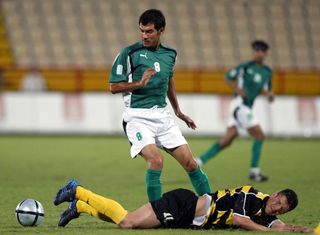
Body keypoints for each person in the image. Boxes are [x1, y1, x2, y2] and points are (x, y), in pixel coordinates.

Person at [109, 9, 211, 202]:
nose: (144, 36)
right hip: (137, 118)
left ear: (161, 30)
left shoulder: (170, 54)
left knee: (191, 164)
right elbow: (114, 87)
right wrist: (139, 84)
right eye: (142, 31)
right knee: (156, 161)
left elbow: (169, 80)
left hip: (162, 117)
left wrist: (178, 111)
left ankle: (213, 206)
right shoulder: (129, 53)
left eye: (149, 31)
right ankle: (156, 213)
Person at [53, 179, 314, 233]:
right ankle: (78, 190)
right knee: (128, 221)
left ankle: (81, 208)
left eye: (283, 209)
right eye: (280, 201)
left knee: (131, 223)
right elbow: (238, 220)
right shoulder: (252, 197)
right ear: (275, 194)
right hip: (183, 204)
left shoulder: (265, 213)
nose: (278, 208)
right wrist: (266, 231)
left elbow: (279, 226)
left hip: (186, 217)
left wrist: (303, 230)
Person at [196, 40, 274, 182]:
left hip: (246, 108)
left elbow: (267, 89)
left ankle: (198, 162)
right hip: (239, 105)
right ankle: (254, 171)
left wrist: (269, 94)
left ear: (266, 53)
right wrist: (238, 89)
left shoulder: (267, 72)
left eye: (261, 51)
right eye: (256, 50)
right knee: (260, 135)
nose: (259, 53)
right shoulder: (245, 67)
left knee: (226, 141)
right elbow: (228, 78)